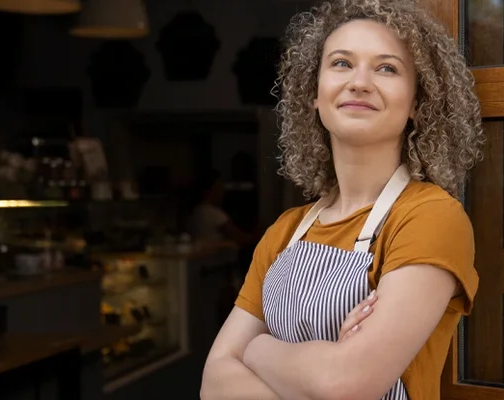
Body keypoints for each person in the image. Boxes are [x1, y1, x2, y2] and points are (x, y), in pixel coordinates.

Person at [200, 0, 484, 398]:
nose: (359, 82)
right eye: (341, 63)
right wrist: (324, 367)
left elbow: (347, 384)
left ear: (417, 104)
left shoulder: (430, 217)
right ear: (314, 95)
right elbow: (214, 383)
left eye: (387, 68)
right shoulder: (285, 232)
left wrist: (257, 349)